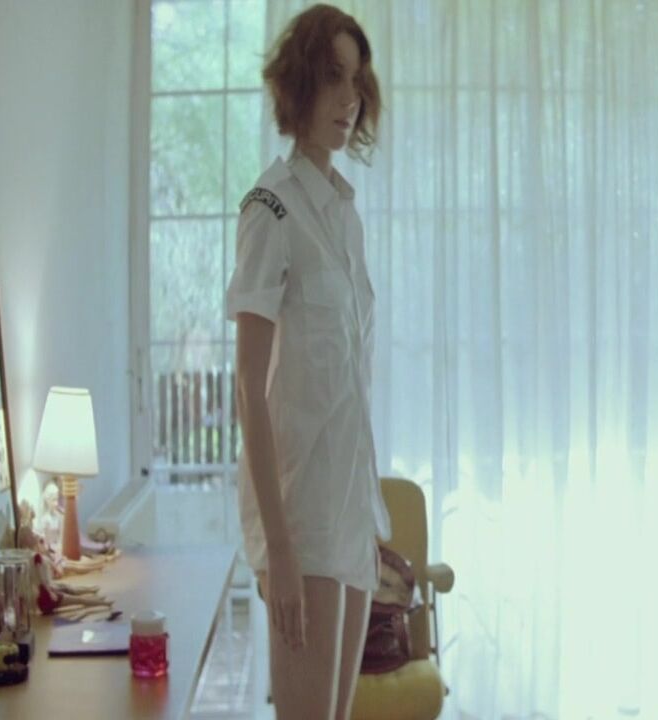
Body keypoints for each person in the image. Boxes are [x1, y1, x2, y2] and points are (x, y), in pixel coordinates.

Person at [224, 4, 390, 718]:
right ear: (299, 86)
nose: (349, 98)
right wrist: (280, 550)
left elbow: (348, 385)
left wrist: (369, 522)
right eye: (332, 78)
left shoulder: (344, 215)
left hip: (350, 515)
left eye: (356, 79)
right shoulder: (271, 209)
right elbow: (248, 387)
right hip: (302, 519)